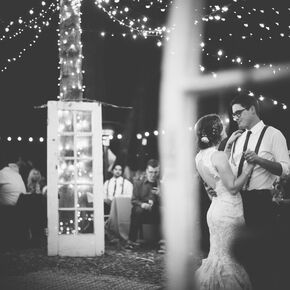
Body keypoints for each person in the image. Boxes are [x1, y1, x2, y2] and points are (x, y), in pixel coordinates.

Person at [224, 95, 290, 290]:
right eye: (233, 114)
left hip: (261, 202)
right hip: (237, 201)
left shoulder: (273, 134)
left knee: (261, 256)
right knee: (239, 256)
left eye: (239, 112)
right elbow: (231, 168)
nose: (235, 117)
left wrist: (259, 160)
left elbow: (286, 168)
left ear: (252, 109)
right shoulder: (238, 137)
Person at [194, 114, 253, 290]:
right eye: (223, 128)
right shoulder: (218, 156)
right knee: (229, 259)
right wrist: (249, 168)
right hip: (229, 211)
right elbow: (233, 187)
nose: (226, 130)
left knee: (218, 257)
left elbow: (216, 175)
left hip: (215, 209)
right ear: (217, 131)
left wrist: (226, 146)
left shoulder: (199, 157)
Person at [126, 159, 161, 249]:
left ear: (159, 171)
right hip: (143, 210)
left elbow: (170, 202)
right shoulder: (138, 183)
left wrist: (160, 194)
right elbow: (134, 200)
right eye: (151, 172)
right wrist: (142, 204)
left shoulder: (162, 184)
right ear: (146, 171)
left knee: (164, 210)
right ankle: (131, 240)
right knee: (136, 210)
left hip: (157, 210)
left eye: (156, 172)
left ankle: (163, 242)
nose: (153, 175)